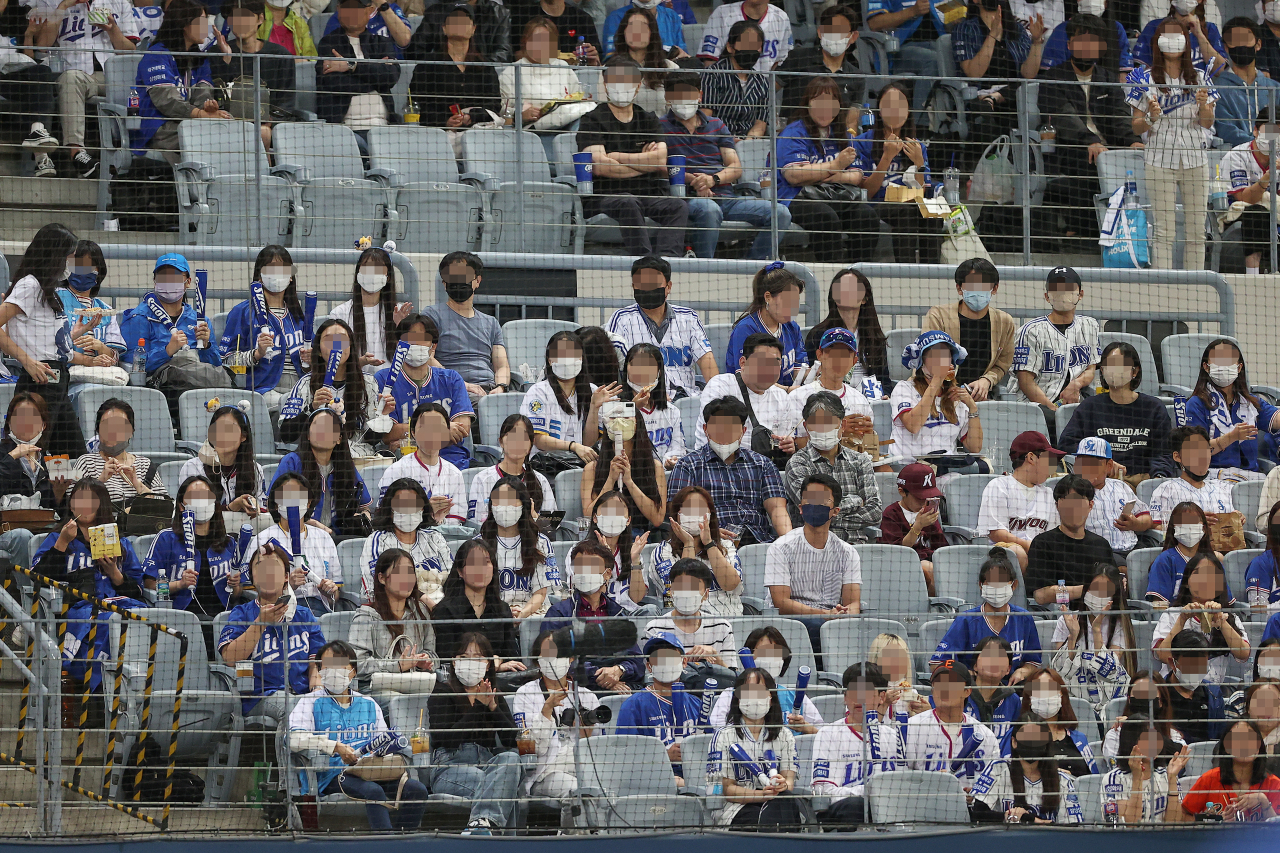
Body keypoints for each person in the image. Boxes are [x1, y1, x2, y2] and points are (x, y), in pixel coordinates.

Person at [287, 640, 427, 832]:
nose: (333, 671)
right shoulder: (310, 702)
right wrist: (334, 746)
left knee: (417, 790)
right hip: (334, 775)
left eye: (339, 665)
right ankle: (386, 844)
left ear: (352, 671)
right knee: (373, 791)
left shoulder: (369, 703)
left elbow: (382, 741)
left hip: (372, 771)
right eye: (327, 666)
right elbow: (293, 739)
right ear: (319, 671)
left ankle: (402, 840)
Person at [1036, 14, 1142, 250]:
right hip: (1069, 148)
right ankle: (1081, 235)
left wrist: (1133, 141)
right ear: (1069, 45)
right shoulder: (1054, 78)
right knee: (1087, 161)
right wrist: (1090, 141)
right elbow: (1064, 118)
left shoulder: (1107, 78)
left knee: (1135, 161)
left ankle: (1127, 235)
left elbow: (1119, 115)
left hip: (1108, 149)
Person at [33, 479, 148, 691]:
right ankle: (104, 687)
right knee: (110, 620)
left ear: (101, 504)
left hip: (117, 605)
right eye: (79, 499)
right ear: (70, 504)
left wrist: (115, 573)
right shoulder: (57, 537)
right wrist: (62, 543)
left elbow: (139, 590)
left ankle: (133, 681)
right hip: (76, 609)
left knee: (144, 616)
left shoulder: (120, 543)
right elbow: (38, 578)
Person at [660, 74, 788, 260]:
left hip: (725, 196)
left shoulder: (716, 125)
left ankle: (751, 266)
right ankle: (705, 269)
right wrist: (694, 181)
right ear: (667, 98)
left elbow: (735, 167)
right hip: (686, 198)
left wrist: (712, 180)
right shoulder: (659, 126)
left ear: (700, 96)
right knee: (709, 210)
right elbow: (657, 165)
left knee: (780, 213)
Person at [1126, 17, 1218, 270]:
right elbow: (1136, 126)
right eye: (1165, 35)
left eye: (1177, 34)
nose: (1172, 39)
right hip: (1158, 160)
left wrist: (1202, 104)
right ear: (1157, 42)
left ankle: (1195, 288)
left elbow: (1207, 123)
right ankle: (1162, 291)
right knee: (1164, 231)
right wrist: (1151, 117)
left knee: (1196, 231)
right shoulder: (1142, 78)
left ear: (1186, 42)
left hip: (1195, 159)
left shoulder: (1201, 76)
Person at [576, 55, 687, 256]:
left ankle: (668, 262)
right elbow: (601, 167)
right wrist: (643, 163)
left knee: (677, 206)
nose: (622, 86)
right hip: (607, 195)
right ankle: (644, 261)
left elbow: (659, 160)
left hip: (647, 193)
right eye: (616, 80)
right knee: (627, 201)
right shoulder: (591, 120)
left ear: (638, 86)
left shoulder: (648, 119)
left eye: (628, 81)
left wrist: (617, 156)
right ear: (606, 83)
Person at [0, 224, 87, 458]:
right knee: (31, 454)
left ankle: (63, 496)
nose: (71, 264)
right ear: (54, 255)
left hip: (58, 380)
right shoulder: (29, 285)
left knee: (71, 458)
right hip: (39, 382)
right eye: (69, 257)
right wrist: (27, 361)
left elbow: (48, 341)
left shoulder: (48, 289)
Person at [425, 631, 521, 836]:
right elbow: (447, 739)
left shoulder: (492, 693)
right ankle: (503, 843)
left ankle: (479, 828)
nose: (470, 662)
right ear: (453, 661)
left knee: (511, 759)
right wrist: (479, 706)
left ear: (487, 664)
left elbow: (512, 740)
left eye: (478, 658)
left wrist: (493, 707)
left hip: (488, 763)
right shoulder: (442, 692)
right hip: (450, 766)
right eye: (464, 657)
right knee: (504, 788)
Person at [775, 77, 880, 263]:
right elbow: (793, 175)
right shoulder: (793, 132)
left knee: (866, 215)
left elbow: (857, 175)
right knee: (825, 216)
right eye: (819, 102)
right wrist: (835, 166)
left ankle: (857, 272)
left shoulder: (842, 133)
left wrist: (825, 175)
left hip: (834, 194)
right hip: (795, 197)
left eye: (831, 103)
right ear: (808, 104)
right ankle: (833, 273)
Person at [218, 542, 325, 720]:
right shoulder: (242, 613)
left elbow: (317, 658)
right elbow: (230, 658)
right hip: (261, 696)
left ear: (285, 577)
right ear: (252, 578)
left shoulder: (304, 615)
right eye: (260, 567)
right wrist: (261, 623)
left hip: (303, 692)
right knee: (295, 711)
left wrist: (317, 689)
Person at [666, 396, 791, 546]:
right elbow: (677, 513)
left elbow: (778, 510)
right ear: (705, 429)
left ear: (743, 431)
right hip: (710, 543)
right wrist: (708, 533)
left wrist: (789, 544)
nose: (724, 432)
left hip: (758, 541)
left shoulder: (763, 464)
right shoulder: (687, 465)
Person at [764, 472, 861, 649]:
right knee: (817, 627)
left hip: (833, 621)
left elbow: (853, 602)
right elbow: (782, 603)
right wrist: (824, 614)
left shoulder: (848, 552)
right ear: (801, 508)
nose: (814, 505)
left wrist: (846, 615)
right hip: (792, 622)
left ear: (835, 511)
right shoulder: (780, 548)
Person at [122, 252, 232, 407]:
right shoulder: (139, 317)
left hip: (203, 382)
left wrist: (207, 346)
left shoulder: (199, 320)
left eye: (174, 276)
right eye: (162, 277)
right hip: (160, 387)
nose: (168, 282)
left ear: (187, 282)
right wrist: (167, 351)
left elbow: (215, 365)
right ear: (155, 281)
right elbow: (131, 365)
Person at [852, 81, 945, 264]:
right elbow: (867, 192)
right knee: (906, 210)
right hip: (877, 203)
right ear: (879, 109)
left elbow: (923, 191)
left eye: (900, 105)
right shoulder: (862, 143)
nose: (895, 110)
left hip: (908, 199)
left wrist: (919, 163)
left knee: (934, 210)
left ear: (908, 110)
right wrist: (886, 158)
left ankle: (932, 272)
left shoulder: (915, 145)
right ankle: (906, 271)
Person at [1057, 341, 1176, 480]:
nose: (1113, 370)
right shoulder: (1089, 407)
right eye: (1108, 365)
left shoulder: (1153, 408)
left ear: (1135, 371)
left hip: (1142, 481)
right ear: (1102, 370)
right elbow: (1067, 445)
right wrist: (1100, 463)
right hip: (1100, 481)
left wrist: (1154, 478)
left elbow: (1164, 453)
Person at [141, 474, 246, 629]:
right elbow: (149, 586)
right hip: (179, 619)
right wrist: (179, 584)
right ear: (182, 505)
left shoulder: (229, 542)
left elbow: (237, 594)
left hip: (224, 619)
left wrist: (235, 585)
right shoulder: (166, 539)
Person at [540, 539, 645, 693]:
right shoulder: (559, 614)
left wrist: (619, 670)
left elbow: (637, 661)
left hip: (618, 684)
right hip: (576, 689)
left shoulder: (617, 614)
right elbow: (554, 658)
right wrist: (602, 677)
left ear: (607, 574)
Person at [510, 628, 603, 798]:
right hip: (545, 771)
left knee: (606, 789)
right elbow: (529, 749)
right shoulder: (525, 694)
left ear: (571, 658)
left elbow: (598, 748)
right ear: (538, 661)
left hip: (583, 767)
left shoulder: (587, 696)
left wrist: (585, 732)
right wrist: (546, 711)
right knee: (581, 793)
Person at [607, 256, 717, 399]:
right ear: (634, 286)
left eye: (653, 284)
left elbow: (706, 360)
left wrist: (717, 394)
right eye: (642, 284)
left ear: (668, 287)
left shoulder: (689, 318)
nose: (648, 289)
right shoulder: (621, 319)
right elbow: (610, 365)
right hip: (643, 401)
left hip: (687, 398)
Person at [810, 662, 905, 827]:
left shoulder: (894, 737)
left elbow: (902, 787)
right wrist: (866, 792)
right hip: (843, 814)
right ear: (845, 697)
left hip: (887, 812)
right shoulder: (827, 734)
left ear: (882, 697)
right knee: (856, 806)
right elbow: (823, 792)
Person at [129, 0, 226, 160]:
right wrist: (199, 114)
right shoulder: (156, 56)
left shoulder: (199, 59)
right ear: (184, 23)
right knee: (215, 137)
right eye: (201, 21)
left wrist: (208, 107)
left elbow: (203, 93)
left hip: (192, 123)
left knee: (233, 126)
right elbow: (167, 101)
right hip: (161, 128)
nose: (206, 27)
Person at [218, 245, 311, 413]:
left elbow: (309, 368)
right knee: (290, 405)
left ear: (291, 277)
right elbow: (225, 361)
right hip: (261, 391)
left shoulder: (299, 317)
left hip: (300, 388)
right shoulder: (243, 312)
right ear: (259, 276)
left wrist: (310, 361)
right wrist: (256, 354)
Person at [708, 668, 802, 830]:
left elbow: (789, 780)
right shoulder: (723, 736)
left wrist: (781, 785)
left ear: (771, 698)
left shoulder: (785, 735)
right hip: (736, 808)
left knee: (785, 800)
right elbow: (727, 790)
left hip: (777, 801)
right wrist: (762, 795)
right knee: (774, 814)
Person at [375, 314, 474, 468]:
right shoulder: (384, 379)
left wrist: (410, 435)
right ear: (398, 344)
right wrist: (443, 430)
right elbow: (388, 434)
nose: (415, 343)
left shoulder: (451, 379)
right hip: (407, 464)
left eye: (422, 339)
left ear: (433, 346)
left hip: (453, 462)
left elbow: (463, 428)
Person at [784, 391, 881, 545]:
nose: (822, 428)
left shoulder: (860, 461)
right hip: (813, 548)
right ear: (806, 426)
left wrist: (829, 512)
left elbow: (875, 513)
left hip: (857, 547)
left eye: (829, 422)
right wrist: (856, 501)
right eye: (815, 422)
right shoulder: (797, 463)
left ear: (842, 425)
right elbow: (814, 513)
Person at [931, 547, 1043, 679]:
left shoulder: (1023, 618)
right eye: (991, 582)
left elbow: (1033, 661)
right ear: (981, 585)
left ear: (1014, 585)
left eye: (1002, 582)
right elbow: (937, 663)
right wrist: (969, 675)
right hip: (973, 690)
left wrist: (1022, 672)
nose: (997, 587)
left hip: (1011, 690)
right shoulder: (966, 620)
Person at [243, 472, 343, 615]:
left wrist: (330, 592)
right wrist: (287, 586)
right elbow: (254, 594)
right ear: (276, 504)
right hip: (278, 609)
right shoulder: (263, 539)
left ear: (308, 503)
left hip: (320, 610)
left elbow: (336, 596)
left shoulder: (323, 538)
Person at [1010, 266, 1100, 420]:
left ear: (1081, 294)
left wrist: (1076, 384)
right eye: (1056, 290)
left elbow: (1091, 368)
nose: (1063, 294)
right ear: (1047, 296)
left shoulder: (1090, 326)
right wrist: (1052, 411)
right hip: (1036, 406)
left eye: (1069, 288)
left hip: (1074, 402)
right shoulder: (1031, 330)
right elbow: (1025, 381)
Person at [953, 0, 1046, 149]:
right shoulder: (964, 29)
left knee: (1041, 82)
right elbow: (973, 73)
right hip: (980, 97)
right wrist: (992, 36)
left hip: (1016, 97)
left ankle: (996, 97)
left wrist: (1036, 42)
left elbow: (1028, 74)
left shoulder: (1017, 29)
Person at [616, 632, 705, 785]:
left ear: (684, 662)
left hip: (696, 780)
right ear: (649, 666)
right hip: (653, 783)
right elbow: (624, 758)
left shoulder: (697, 704)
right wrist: (664, 756)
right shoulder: (633, 706)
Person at [922, 258, 1015, 403]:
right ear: (959, 288)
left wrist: (986, 381)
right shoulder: (938, 316)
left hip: (979, 398)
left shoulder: (1004, 322)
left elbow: (1002, 365)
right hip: (938, 394)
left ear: (994, 288)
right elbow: (928, 360)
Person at [1185, 338, 1280, 479]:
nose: (1224, 366)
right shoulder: (1196, 403)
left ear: (1239, 367)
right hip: (1212, 477)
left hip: (1251, 478)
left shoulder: (1250, 402)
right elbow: (1195, 452)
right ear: (1206, 366)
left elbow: (1276, 418)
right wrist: (1231, 437)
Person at [349, 548, 438, 699]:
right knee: (397, 701)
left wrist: (424, 660)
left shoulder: (420, 612)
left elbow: (434, 654)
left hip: (416, 684)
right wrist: (397, 666)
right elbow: (357, 663)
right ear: (382, 578)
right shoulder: (365, 616)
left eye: (410, 573)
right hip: (377, 689)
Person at [270, 408, 372, 538]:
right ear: (308, 435)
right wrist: (312, 525)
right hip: (298, 534)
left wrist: (363, 518)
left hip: (338, 538)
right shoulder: (292, 462)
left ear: (339, 438)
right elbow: (275, 508)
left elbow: (365, 507)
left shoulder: (346, 466)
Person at [891, 330, 985, 470]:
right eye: (934, 355)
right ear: (921, 361)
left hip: (946, 470)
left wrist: (972, 407)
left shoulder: (956, 396)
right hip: (910, 469)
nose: (941, 360)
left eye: (945, 355)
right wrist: (936, 382)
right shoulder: (904, 388)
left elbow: (975, 448)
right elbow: (913, 425)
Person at [425, 252, 512, 403]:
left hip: (489, 390)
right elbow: (427, 358)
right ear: (444, 283)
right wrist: (462, 384)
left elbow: (502, 366)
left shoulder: (491, 323)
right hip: (451, 390)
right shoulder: (431, 315)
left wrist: (501, 387)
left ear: (477, 280)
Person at [520, 330, 618, 463]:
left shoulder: (593, 391)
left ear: (581, 358)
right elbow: (539, 440)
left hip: (579, 464)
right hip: (545, 466)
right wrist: (573, 447)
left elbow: (588, 443)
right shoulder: (538, 391)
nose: (567, 360)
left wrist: (594, 408)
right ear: (549, 360)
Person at [970, 713, 1084, 824]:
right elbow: (977, 814)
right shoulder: (998, 768)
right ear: (1014, 742)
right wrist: (1014, 817)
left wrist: (1033, 821)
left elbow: (1072, 825)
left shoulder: (1062, 780)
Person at [905, 660, 1002, 789]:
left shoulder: (985, 736)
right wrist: (929, 784)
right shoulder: (911, 728)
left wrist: (976, 795)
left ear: (967, 691)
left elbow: (995, 784)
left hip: (972, 808)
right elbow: (900, 781)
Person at [1051, 563, 1136, 711]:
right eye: (1095, 589)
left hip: (1107, 697)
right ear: (1086, 589)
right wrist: (1072, 636)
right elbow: (1059, 671)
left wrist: (1097, 631)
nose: (1099, 595)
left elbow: (1110, 671)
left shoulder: (1120, 624)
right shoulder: (1066, 620)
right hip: (1072, 696)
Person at [1154, 555, 1250, 684]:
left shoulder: (1229, 617)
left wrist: (1221, 622)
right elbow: (1164, 656)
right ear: (1187, 582)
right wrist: (1181, 620)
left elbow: (1243, 654)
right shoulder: (1172, 614)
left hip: (1211, 694)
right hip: (1174, 691)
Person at [976, 432, 1064, 569]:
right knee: (1018, 553)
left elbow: (1052, 536)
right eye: (1049, 460)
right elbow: (996, 533)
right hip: (1001, 558)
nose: (1052, 467)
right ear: (1031, 458)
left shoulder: (1048, 494)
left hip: (1038, 557)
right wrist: (1032, 547)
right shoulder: (999, 486)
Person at [699, 336, 795, 462]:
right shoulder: (721, 385)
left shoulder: (781, 397)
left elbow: (784, 440)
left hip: (765, 469)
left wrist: (788, 446)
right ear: (743, 363)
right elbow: (711, 440)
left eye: (775, 362)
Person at [651, 486, 743, 616]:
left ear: (710, 515)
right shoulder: (662, 552)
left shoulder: (726, 546)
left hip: (728, 621)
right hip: (682, 622)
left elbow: (730, 584)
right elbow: (683, 592)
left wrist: (710, 544)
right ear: (677, 515)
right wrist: (689, 544)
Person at [1024, 476, 1116, 605]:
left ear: (1090, 505)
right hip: (1063, 615)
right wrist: (1088, 590)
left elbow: (1112, 585)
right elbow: (1041, 596)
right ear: (1057, 505)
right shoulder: (1043, 543)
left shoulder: (1101, 545)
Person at [432, 539, 524, 669]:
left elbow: (512, 656)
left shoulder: (502, 609)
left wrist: (499, 662)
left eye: (486, 562)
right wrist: (492, 665)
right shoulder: (445, 610)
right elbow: (445, 660)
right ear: (460, 572)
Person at [360, 478, 452, 607]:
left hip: (440, 610)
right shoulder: (377, 541)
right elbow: (376, 587)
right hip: (395, 611)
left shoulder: (435, 538)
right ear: (390, 511)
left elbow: (453, 580)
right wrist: (423, 600)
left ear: (423, 509)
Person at [708, 626, 824, 729]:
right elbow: (716, 731)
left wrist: (806, 728)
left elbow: (822, 733)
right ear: (749, 656)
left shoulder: (795, 697)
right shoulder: (730, 695)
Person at [315, 0, 400, 137]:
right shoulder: (329, 43)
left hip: (385, 128)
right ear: (339, 10)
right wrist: (376, 79)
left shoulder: (381, 43)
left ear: (370, 10)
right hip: (345, 130)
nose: (351, 13)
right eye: (347, 7)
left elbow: (390, 77)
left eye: (357, 8)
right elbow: (335, 83)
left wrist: (350, 66)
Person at [478, 477, 559, 620]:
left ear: (524, 504)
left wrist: (522, 614)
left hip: (532, 612)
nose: (504, 506)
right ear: (491, 505)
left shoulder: (540, 542)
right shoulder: (478, 544)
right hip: (492, 613)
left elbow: (540, 593)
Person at [645, 558, 739, 680]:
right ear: (671, 591)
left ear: (705, 594)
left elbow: (733, 679)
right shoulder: (654, 629)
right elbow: (649, 677)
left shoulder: (722, 627)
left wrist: (715, 656)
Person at [1169, 720, 1280, 822]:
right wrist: (1213, 821)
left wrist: (1264, 802)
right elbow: (1182, 817)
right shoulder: (1209, 779)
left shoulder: (1274, 784)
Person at [411, 4, 501, 128]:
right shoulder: (427, 65)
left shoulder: (485, 66)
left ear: (473, 29)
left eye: (464, 21)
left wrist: (472, 117)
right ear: (444, 28)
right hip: (439, 132)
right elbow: (420, 103)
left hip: (479, 131)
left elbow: (494, 104)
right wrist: (444, 121)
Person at [375, 403, 466, 523]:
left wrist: (439, 522)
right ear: (413, 433)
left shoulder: (454, 473)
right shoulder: (397, 470)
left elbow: (458, 518)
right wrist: (425, 511)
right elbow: (383, 513)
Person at [177, 403, 266, 525]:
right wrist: (231, 508)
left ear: (243, 436)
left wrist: (254, 508)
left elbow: (263, 514)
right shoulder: (193, 468)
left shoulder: (255, 470)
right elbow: (191, 515)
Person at [785, 330, 875, 450]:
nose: (838, 360)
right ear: (819, 355)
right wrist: (839, 430)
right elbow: (792, 445)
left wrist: (868, 434)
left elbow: (868, 448)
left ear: (854, 361)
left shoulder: (860, 400)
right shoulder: (798, 397)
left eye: (844, 355)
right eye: (832, 353)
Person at [1071, 437, 1153, 567]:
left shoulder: (1121, 487)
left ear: (1108, 466)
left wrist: (1135, 524)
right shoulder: (1069, 490)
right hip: (1099, 554)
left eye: (1093, 463)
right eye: (1082, 462)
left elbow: (1147, 517)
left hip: (1133, 548)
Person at [210, 0, 298, 122]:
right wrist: (226, 59)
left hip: (270, 123)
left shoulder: (280, 55)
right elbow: (218, 97)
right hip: (229, 122)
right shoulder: (217, 53)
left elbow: (286, 103)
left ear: (260, 18)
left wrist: (268, 122)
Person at [582, 404, 666, 530]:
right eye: (613, 417)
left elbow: (657, 518)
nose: (619, 421)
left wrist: (629, 481)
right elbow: (589, 516)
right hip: (602, 535)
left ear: (638, 423)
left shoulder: (654, 467)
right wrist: (611, 479)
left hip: (637, 536)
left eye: (626, 417)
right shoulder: (592, 469)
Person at [326, 248, 409, 376]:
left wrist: (400, 327)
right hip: (355, 382)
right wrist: (361, 362)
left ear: (388, 277)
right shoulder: (339, 314)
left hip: (393, 384)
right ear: (358, 274)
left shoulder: (400, 312)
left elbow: (410, 360)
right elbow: (335, 361)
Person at [803, 268, 889, 391]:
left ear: (865, 299)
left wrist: (885, 394)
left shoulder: (874, 337)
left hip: (868, 402)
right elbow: (810, 379)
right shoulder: (818, 334)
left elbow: (884, 381)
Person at [59, 240, 128, 390]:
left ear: (99, 271)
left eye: (87, 266)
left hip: (100, 378)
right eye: (77, 265)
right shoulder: (55, 299)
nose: (81, 270)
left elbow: (115, 357)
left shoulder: (106, 310)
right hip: (64, 377)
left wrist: (100, 347)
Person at [498, 18, 591, 128]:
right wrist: (520, 115)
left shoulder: (563, 67)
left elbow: (577, 97)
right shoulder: (511, 73)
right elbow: (502, 114)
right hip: (531, 129)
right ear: (525, 42)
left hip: (568, 123)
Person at [777, 4, 867, 118]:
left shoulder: (856, 77)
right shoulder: (798, 58)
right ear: (820, 32)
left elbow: (851, 122)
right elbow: (768, 91)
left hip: (834, 135)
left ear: (853, 36)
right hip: (794, 133)